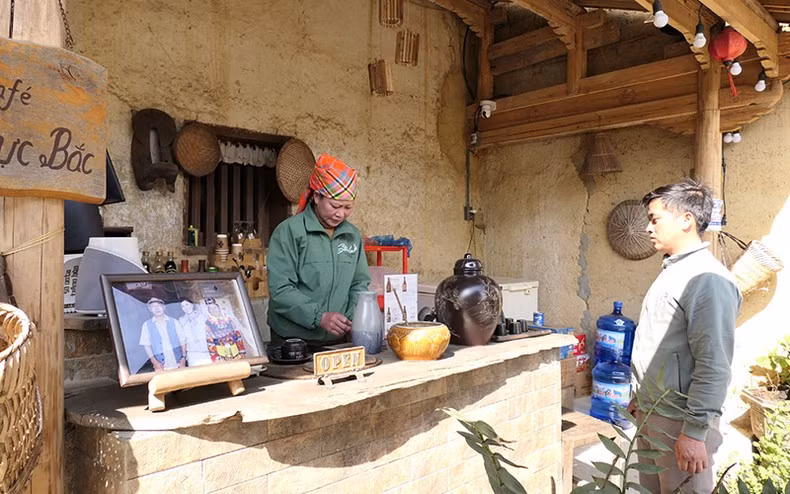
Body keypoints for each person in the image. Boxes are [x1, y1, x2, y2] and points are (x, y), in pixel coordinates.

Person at [630, 179, 741, 493]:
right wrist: (641, 395)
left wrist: (693, 433)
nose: (649, 228)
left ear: (686, 220)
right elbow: (663, 344)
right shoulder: (674, 270)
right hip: (655, 413)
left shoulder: (708, 280)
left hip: (679, 421)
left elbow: (714, 364)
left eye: (655, 219)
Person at [266, 154, 371, 342]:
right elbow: (281, 289)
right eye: (335, 206)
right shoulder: (290, 231)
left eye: (348, 208)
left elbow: (359, 284)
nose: (340, 214)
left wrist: (352, 318)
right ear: (316, 197)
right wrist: (319, 317)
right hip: (293, 338)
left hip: (336, 339)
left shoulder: (352, 236)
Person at [139, 297, 188, 372]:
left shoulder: (174, 321)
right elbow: (146, 345)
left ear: (164, 307)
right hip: (161, 366)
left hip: (178, 363)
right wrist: (154, 362)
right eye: (153, 306)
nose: (156, 308)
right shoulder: (146, 325)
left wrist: (183, 358)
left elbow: (182, 340)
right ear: (150, 309)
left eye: (159, 305)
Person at [178, 298, 211, 367]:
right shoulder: (181, 321)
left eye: (187, 304)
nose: (186, 307)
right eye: (183, 306)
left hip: (206, 349)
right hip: (192, 351)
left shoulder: (202, 316)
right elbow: (182, 337)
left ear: (192, 305)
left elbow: (209, 330)